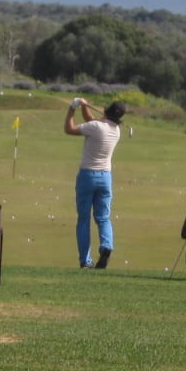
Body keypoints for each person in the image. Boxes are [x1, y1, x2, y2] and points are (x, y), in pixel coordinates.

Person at [64, 97, 126, 268]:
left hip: (88, 176)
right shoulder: (115, 130)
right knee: (103, 217)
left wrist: (72, 107)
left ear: (106, 111)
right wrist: (84, 106)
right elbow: (92, 121)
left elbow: (69, 129)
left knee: (84, 219)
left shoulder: (96, 127)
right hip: (105, 178)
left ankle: (85, 261)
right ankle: (106, 246)